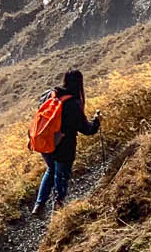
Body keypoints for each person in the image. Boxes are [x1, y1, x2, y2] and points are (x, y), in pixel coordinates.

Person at [32, 69, 101, 216]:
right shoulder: (72, 104)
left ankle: (39, 205)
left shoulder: (50, 95)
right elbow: (86, 129)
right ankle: (59, 209)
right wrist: (96, 122)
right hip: (65, 146)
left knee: (51, 169)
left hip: (45, 143)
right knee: (61, 176)